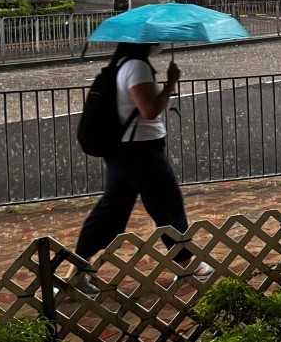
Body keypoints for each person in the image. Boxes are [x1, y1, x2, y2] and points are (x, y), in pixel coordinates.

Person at [73, 42, 211, 298]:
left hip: (125, 152)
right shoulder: (136, 67)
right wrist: (171, 83)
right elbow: (149, 110)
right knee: (168, 206)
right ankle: (189, 264)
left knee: (111, 211)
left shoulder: (123, 65)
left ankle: (77, 270)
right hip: (141, 152)